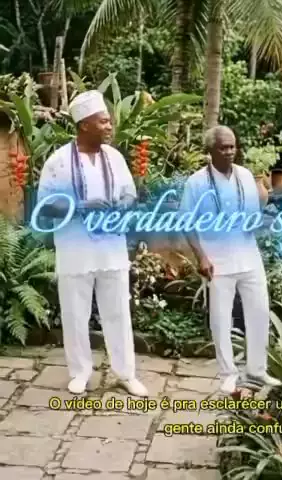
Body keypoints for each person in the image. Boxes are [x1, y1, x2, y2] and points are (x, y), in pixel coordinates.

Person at [36, 90, 148, 396]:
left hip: (112, 248)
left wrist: (123, 205)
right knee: (75, 313)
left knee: (118, 312)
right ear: (85, 125)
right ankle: (80, 373)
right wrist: (80, 206)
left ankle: (125, 373)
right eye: (104, 121)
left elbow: (129, 194)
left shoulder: (115, 158)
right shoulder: (59, 161)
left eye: (109, 121)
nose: (110, 126)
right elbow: (45, 205)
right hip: (75, 249)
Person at [179, 125, 282, 394]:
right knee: (221, 317)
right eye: (223, 147)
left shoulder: (246, 176)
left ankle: (257, 370)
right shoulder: (196, 182)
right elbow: (187, 223)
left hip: (248, 255)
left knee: (260, 312)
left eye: (232, 146)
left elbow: (253, 215)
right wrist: (201, 257)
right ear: (210, 150)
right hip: (216, 259)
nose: (229, 151)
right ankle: (228, 373)